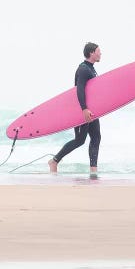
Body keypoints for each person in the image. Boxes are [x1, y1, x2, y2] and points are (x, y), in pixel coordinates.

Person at [48, 42, 102, 179]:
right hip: (82, 110)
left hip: (92, 110)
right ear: (91, 53)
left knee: (96, 137)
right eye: (98, 51)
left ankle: (93, 170)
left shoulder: (91, 69)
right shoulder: (83, 69)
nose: (100, 53)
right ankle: (54, 161)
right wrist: (84, 109)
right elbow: (80, 89)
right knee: (80, 140)